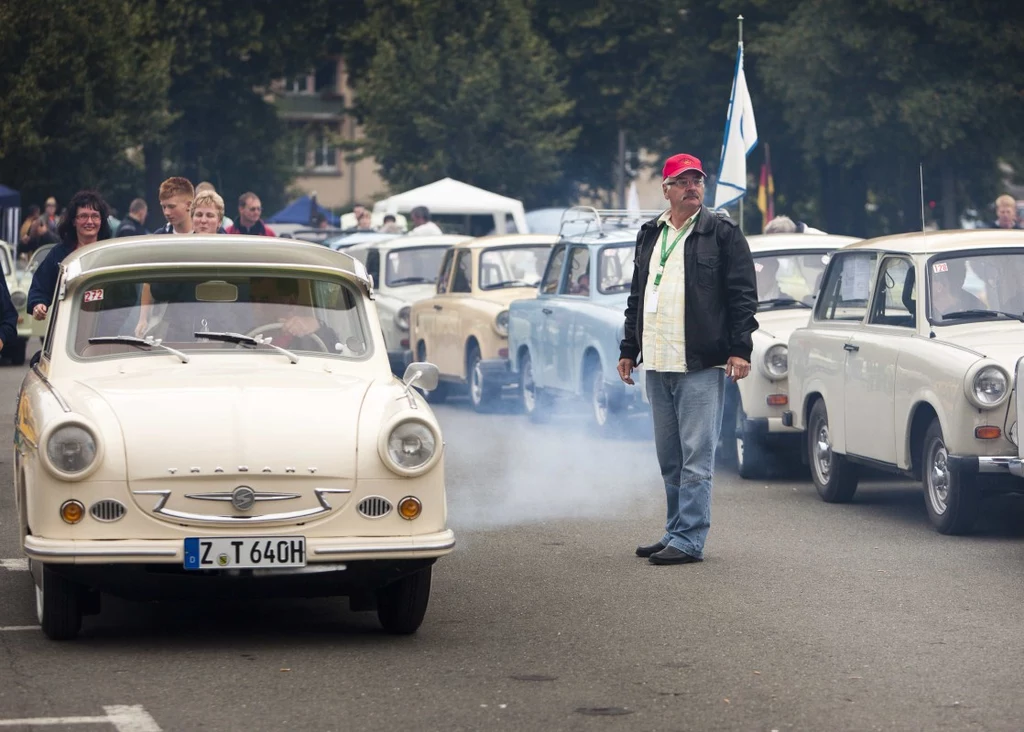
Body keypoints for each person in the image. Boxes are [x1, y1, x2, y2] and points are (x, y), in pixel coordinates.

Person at [617, 153, 758, 566]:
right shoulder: (650, 234)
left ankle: (690, 539)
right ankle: (675, 530)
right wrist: (629, 349)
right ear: (666, 190)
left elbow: (742, 296)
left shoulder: (723, 233)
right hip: (658, 361)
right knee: (670, 457)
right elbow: (637, 299)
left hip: (699, 362)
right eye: (682, 181)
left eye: (697, 180)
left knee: (697, 456)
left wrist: (740, 349)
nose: (692, 187)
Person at [29, 190, 114, 320]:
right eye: (84, 216)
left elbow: (126, 297)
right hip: (66, 326)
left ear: (101, 220)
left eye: (95, 216)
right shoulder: (59, 254)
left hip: (104, 327)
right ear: (74, 221)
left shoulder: (110, 254)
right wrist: (38, 305)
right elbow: (40, 287)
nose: (90, 221)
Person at [249, 277, 339, 351]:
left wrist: (317, 327)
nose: (256, 307)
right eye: (253, 300)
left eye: (265, 300)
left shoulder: (311, 339)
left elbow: (338, 353)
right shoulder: (248, 337)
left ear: (290, 301)